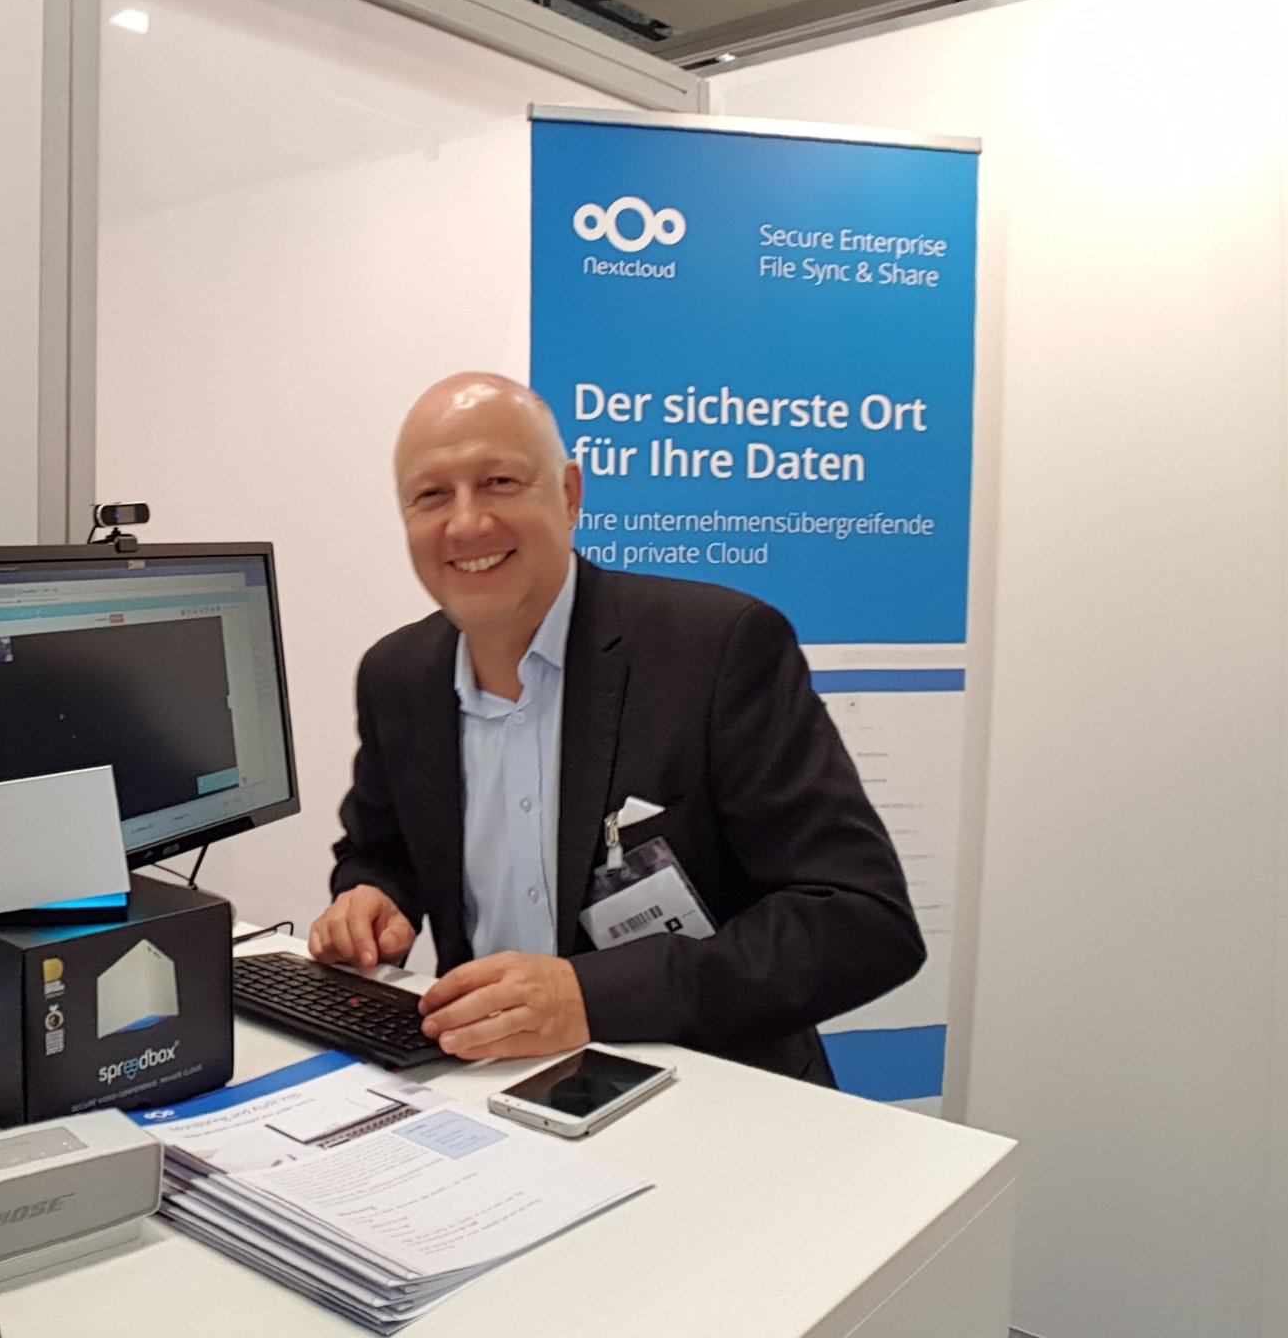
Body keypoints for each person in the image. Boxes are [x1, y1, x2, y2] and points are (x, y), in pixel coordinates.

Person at [309, 373, 924, 1083]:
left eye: (500, 481)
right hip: (482, 1089)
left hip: (705, 1091)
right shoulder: (397, 677)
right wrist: (374, 897)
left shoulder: (717, 650)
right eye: (432, 495)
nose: (467, 523)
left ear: (570, 494)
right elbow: (382, 849)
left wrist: (589, 998)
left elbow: (862, 923)